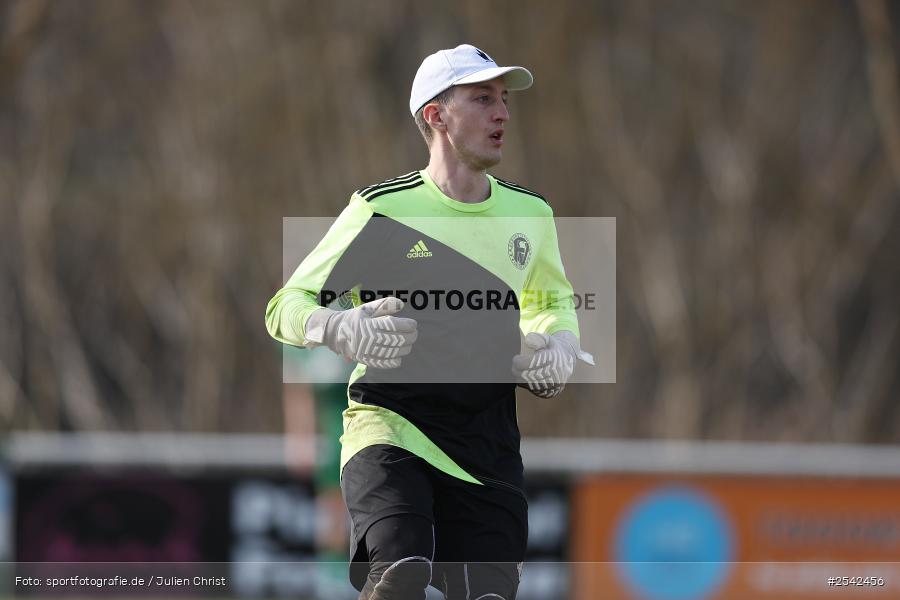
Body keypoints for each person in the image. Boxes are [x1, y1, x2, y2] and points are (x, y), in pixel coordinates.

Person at [266, 43, 593, 600]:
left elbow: (555, 302)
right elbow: (285, 305)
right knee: (400, 575)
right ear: (436, 116)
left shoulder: (531, 214)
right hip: (391, 427)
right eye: (483, 99)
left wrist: (559, 343)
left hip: (487, 443)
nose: (503, 114)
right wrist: (339, 327)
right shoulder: (379, 210)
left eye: (505, 100)